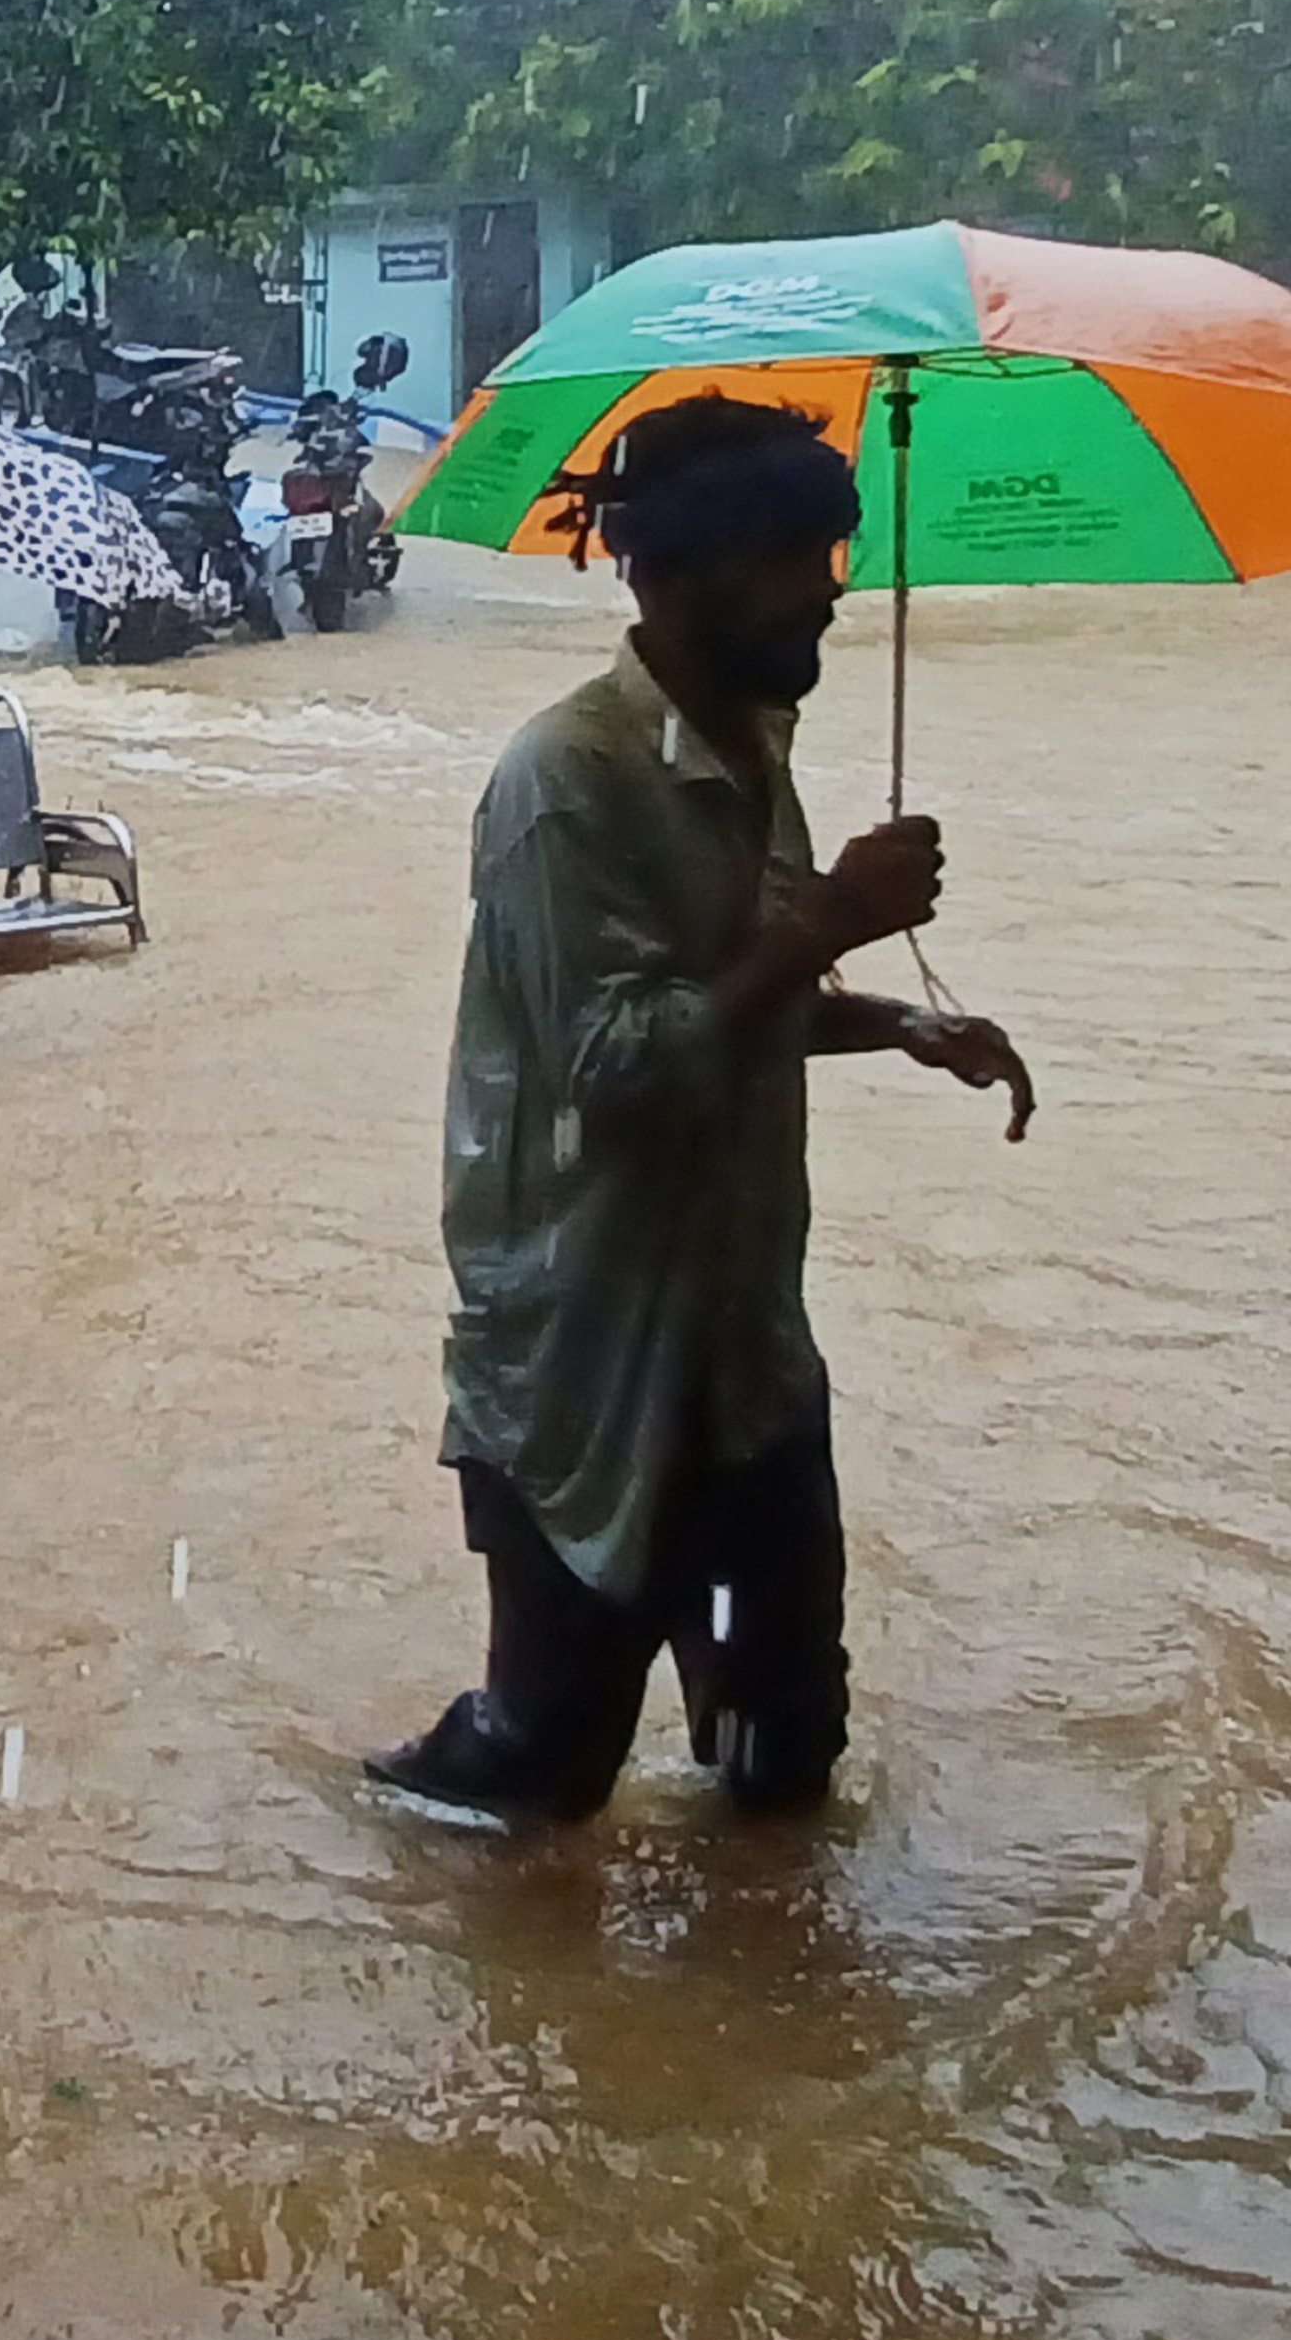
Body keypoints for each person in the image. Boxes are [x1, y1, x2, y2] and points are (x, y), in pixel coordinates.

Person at [368, 391, 1037, 1826]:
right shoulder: (565, 781)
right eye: (793, 559)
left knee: (784, 1757)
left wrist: (903, 1021)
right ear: (672, 574)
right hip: (591, 1353)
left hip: (745, 1338)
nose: (829, 595)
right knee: (546, 1776)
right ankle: (371, 1806)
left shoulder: (753, 744)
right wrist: (834, 921)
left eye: (831, 556)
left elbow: (734, 1004)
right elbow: (618, 1064)